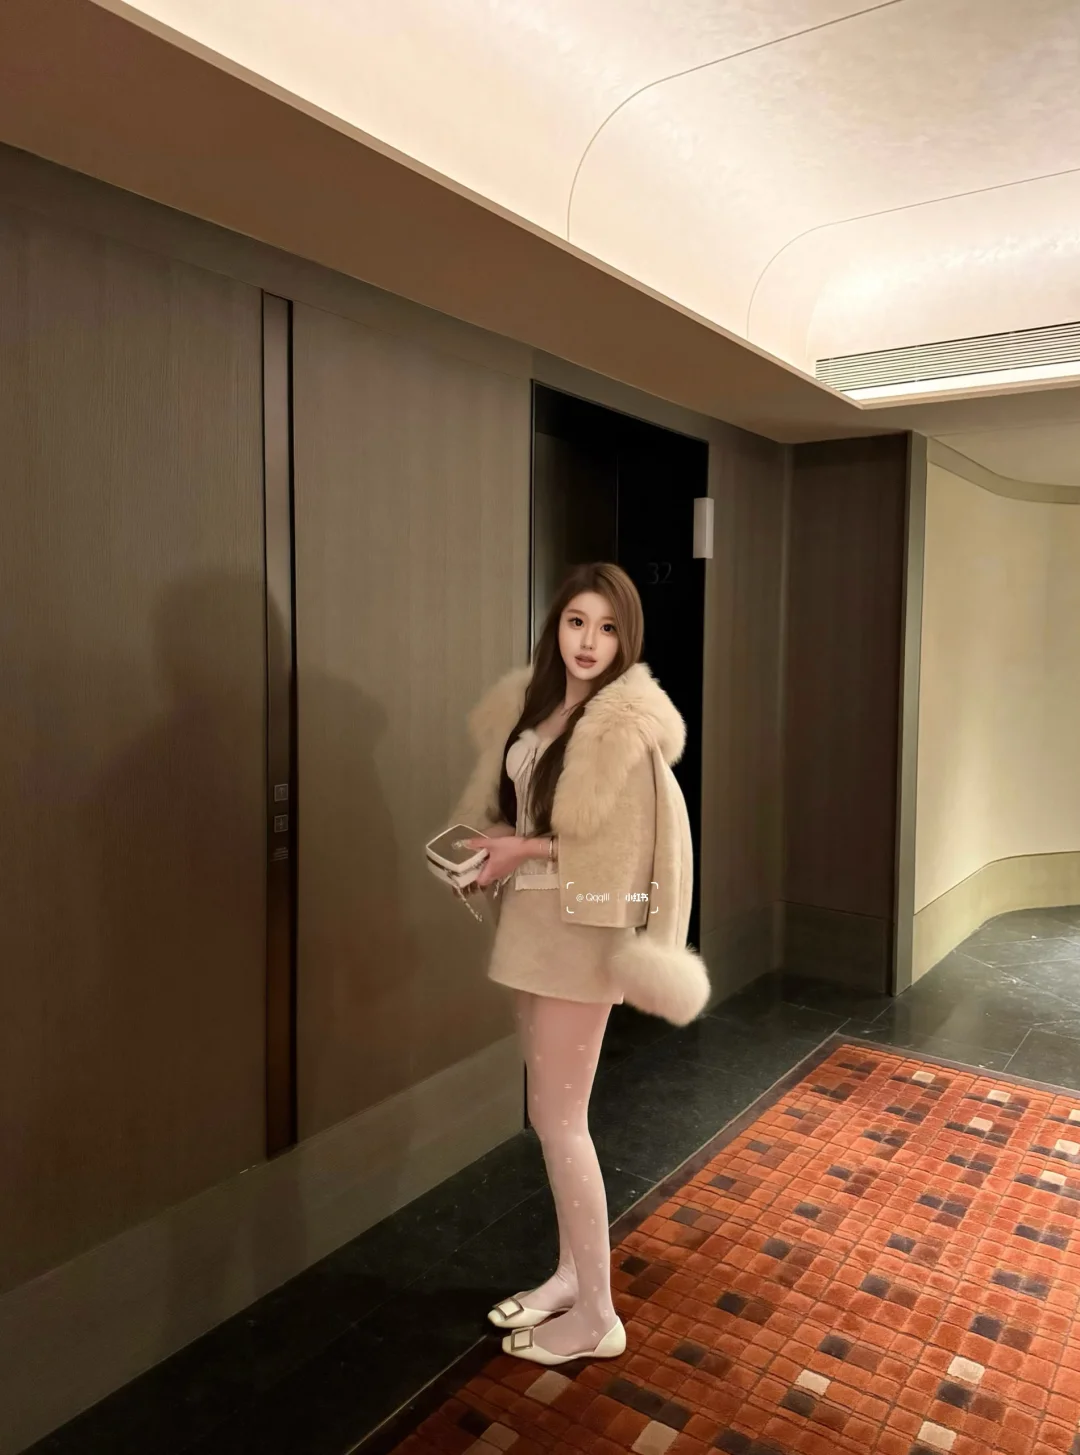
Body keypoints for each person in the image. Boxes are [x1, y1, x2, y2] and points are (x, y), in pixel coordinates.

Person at [440, 562, 708, 1367]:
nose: (589, 641)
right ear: (556, 624)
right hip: (532, 927)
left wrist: (521, 850)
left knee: (563, 1123)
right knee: (549, 1116)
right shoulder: (537, 708)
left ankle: (598, 1314)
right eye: (577, 622)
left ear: (627, 638)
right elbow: (523, 812)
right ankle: (568, 1276)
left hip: (580, 936)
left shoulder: (622, 725)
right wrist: (490, 848)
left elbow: (620, 848)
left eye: (608, 627)